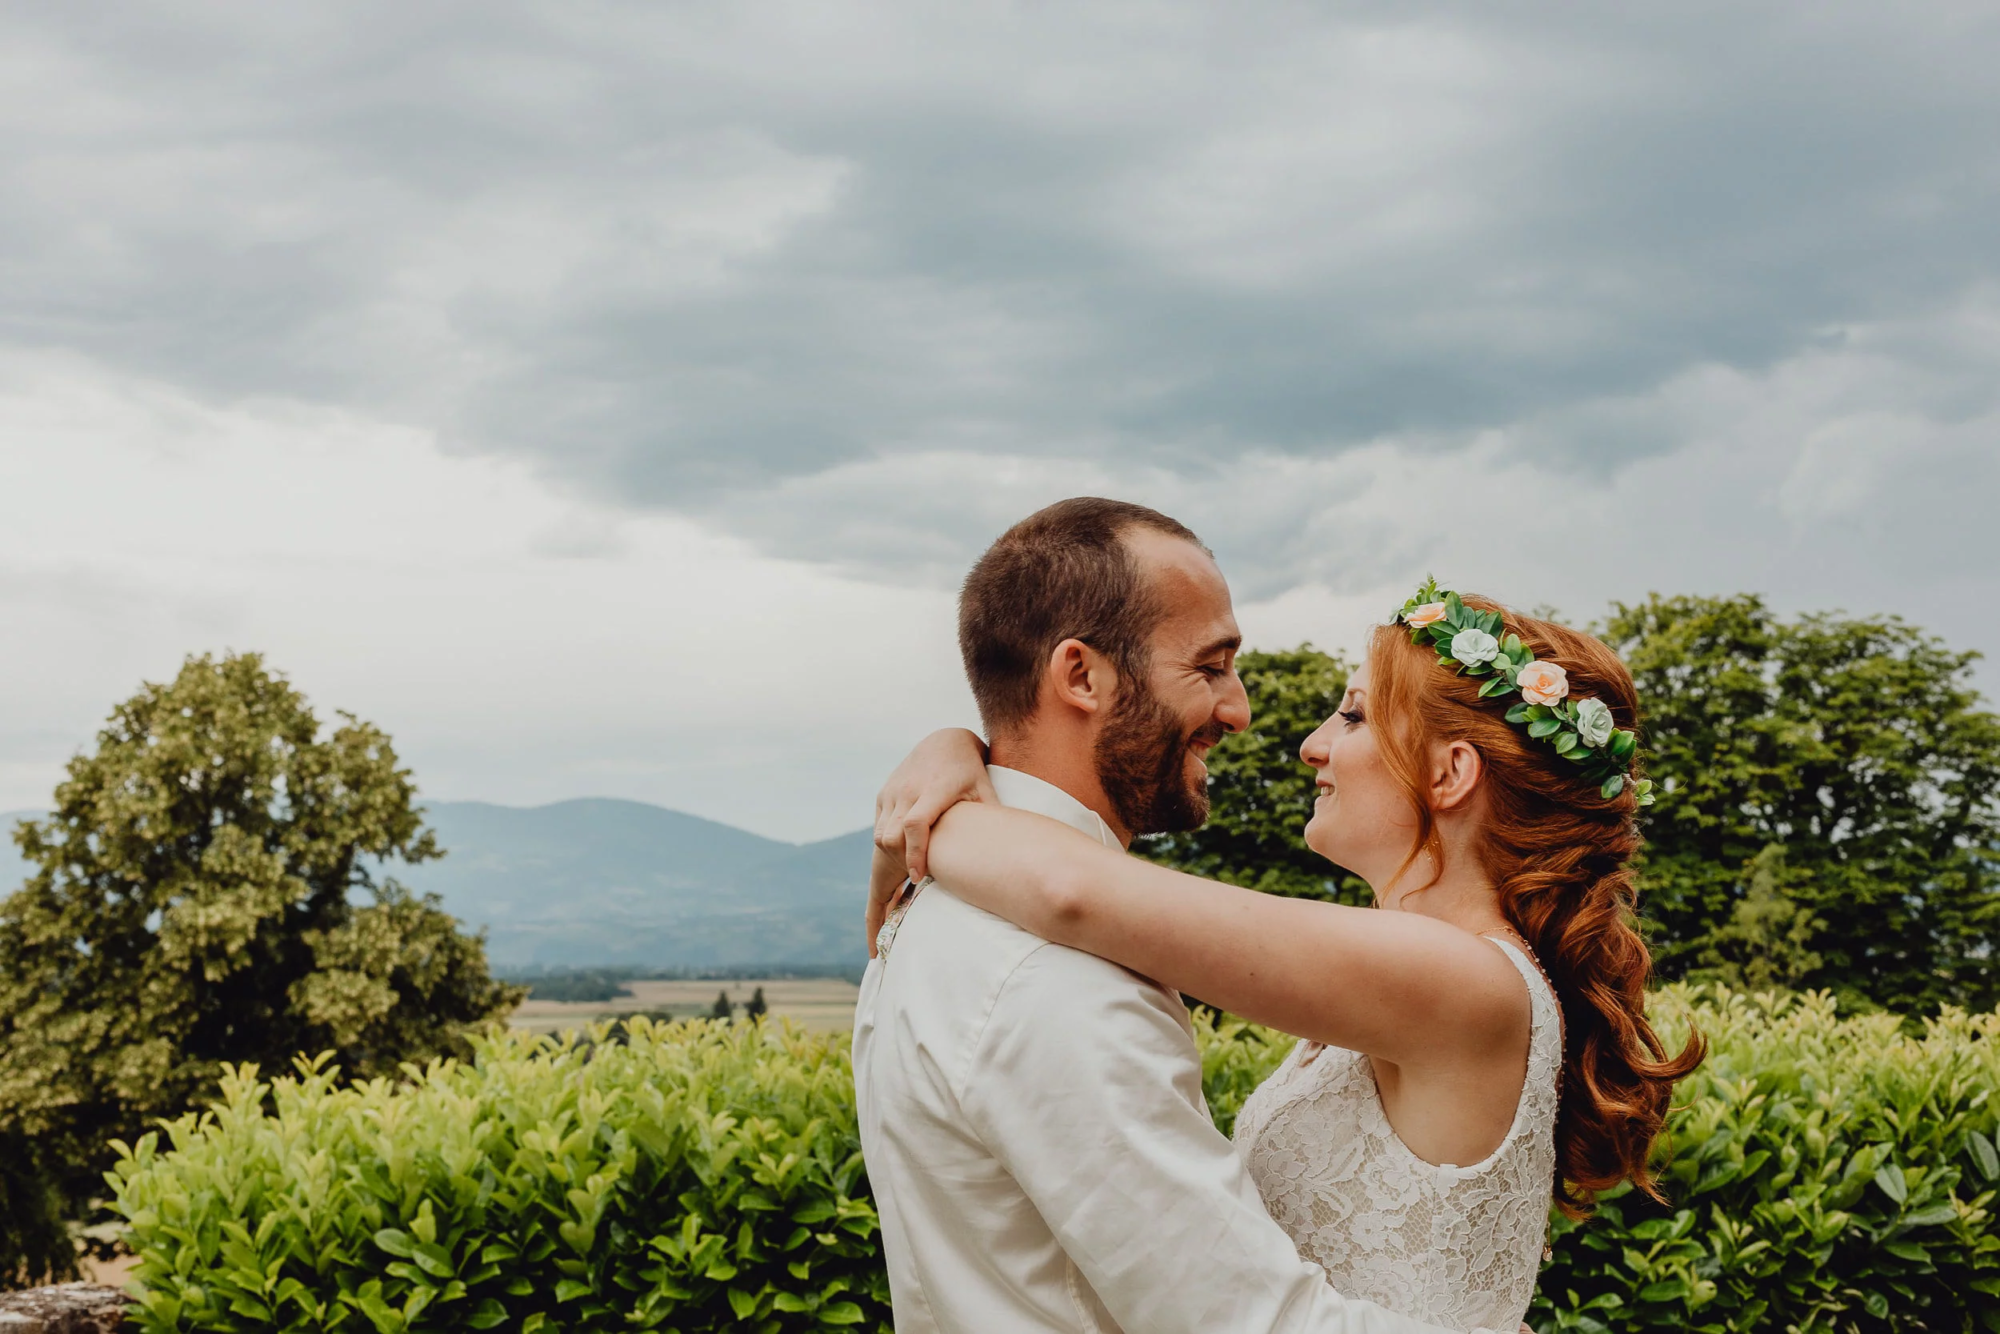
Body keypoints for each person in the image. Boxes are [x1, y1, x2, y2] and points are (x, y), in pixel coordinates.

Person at [870, 552, 1705, 1331]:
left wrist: (928, 804)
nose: (1312, 743)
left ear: (1450, 774)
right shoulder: (1424, 970)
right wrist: (950, 756)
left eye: (1352, 716)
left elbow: (1071, 890)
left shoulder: (1456, 977)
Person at [853, 498, 1474, 1333]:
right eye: (1210, 667)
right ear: (1081, 676)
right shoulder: (1057, 979)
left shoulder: (939, 902)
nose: (1240, 709)